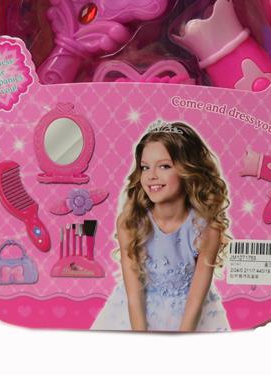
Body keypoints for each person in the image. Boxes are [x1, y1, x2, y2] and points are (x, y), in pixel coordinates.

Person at [92, 121, 231, 332]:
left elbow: (195, 301)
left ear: (188, 169)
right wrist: (141, 337)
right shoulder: (130, 222)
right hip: (136, 312)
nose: (151, 175)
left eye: (164, 166)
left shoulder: (206, 229)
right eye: (145, 167)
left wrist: (181, 340)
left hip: (190, 316)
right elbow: (134, 295)